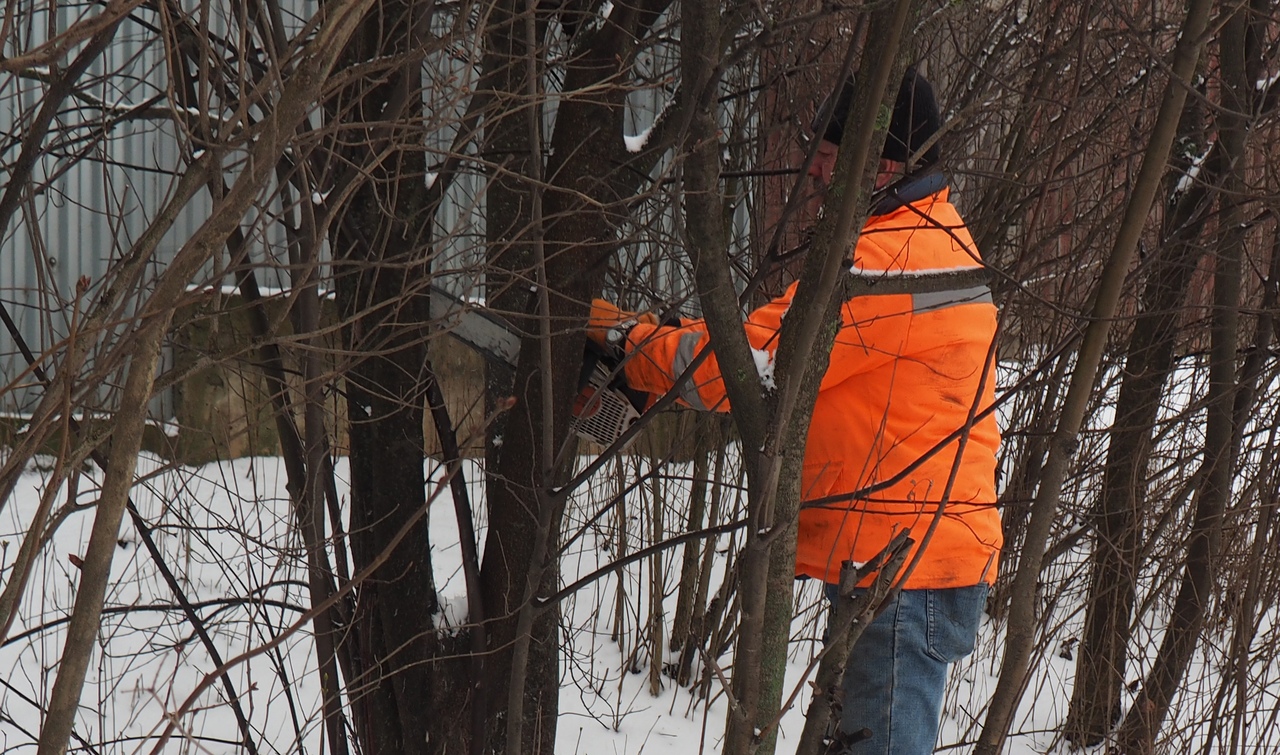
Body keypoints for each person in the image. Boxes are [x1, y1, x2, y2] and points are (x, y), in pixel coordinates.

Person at [588, 69, 1001, 753]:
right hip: (910, 564)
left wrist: (626, 344)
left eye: (833, 159)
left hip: (899, 574)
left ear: (885, 165)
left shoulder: (887, 262)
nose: (815, 169)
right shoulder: (934, 238)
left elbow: (747, 367)